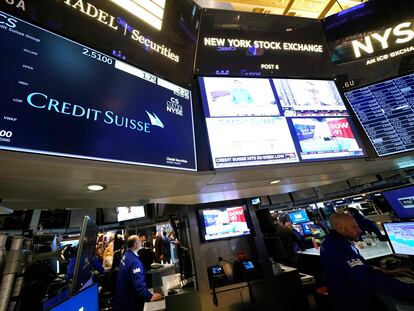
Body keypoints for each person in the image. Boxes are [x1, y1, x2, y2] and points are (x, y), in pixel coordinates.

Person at [320, 213, 414, 311]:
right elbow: (369, 279)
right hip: (354, 303)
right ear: (340, 228)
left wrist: (388, 272)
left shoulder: (333, 240)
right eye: (354, 227)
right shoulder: (338, 248)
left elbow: (362, 269)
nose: (359, 230)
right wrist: (409, 290)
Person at [115, 235, 163, 311]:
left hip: (122, 299)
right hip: (129, 303)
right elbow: (139, 284)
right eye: (139, 241)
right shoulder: (135, 262)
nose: (141, 243)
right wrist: (150, 297)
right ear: (135, 245)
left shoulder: (126, 255)